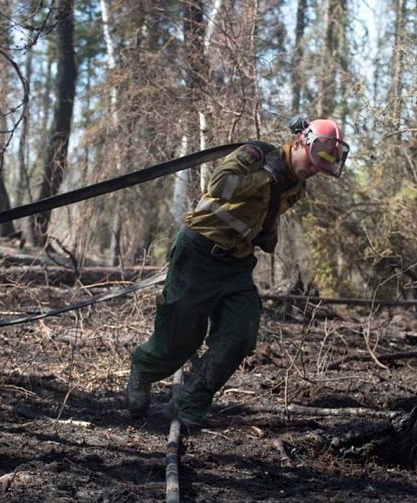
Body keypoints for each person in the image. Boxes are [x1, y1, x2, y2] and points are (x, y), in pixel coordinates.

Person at [126, 116, 350, 427]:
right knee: (182, 335)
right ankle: (144, 368)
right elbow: (218, 185)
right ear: (300, 141)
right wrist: (265, 179)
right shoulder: (257, 156)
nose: (314, 170)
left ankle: (189, 403)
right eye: (313, 161)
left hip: (237, 265)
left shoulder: (297, 188)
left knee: (239, 336)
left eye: (321, 168)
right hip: (199, 251)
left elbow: (262, 215)